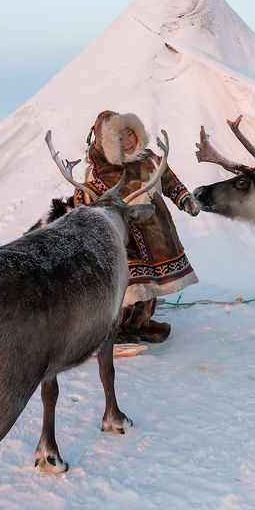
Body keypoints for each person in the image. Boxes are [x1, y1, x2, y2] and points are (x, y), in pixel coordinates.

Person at [73, 110, 200, 343]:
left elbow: (169, 181)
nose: (128, 141)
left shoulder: (150, 160)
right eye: (119, 138)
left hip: (158, 235)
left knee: (152, 284)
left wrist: (184, 199)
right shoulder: (99, 173)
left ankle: (141, 324)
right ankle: (116, 330)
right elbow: (88, 202)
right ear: (107, 144)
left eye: (130, 133)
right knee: (128, 287)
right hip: (127, 239)